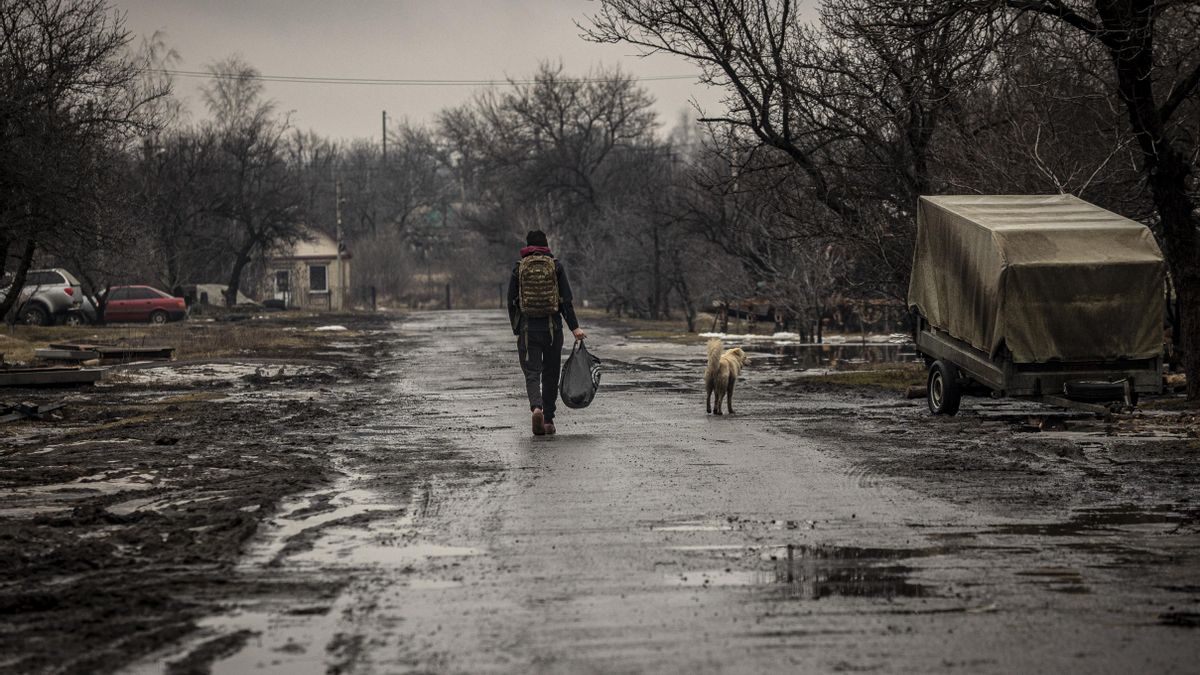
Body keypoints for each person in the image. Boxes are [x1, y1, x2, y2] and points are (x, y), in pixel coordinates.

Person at [507, 230, 586, 436]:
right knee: (551, 373)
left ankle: (536, 408)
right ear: (546, 245)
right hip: (553, 329)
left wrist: (517, 328)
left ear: (528, 246)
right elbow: (565, 301)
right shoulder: (556, 266)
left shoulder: (519, 269)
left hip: (528, 329)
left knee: (532, 373)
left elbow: (511, 302)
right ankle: (549, 420)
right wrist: (574, 327)